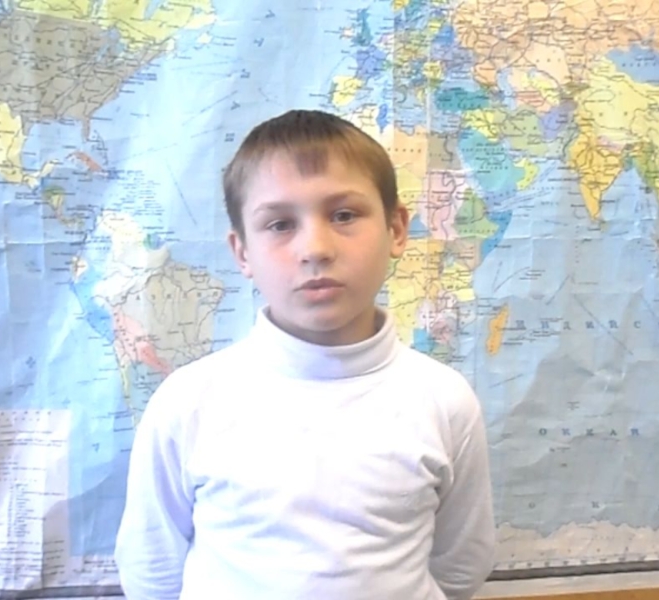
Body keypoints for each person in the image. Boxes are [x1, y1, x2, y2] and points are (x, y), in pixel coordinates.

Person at [114, 109, 496, 599]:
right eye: (279, 224)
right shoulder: (189, 401)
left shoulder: (444, 400)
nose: (315, 248)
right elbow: (151, 569)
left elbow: (461, 564)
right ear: (242, 252)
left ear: (397, 229)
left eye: (344, 215)